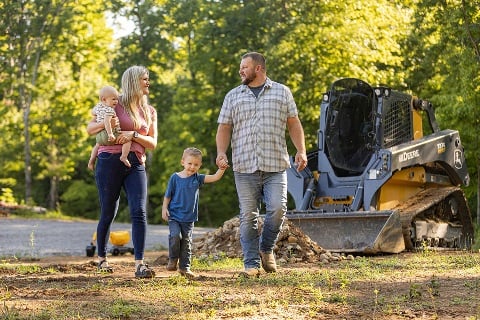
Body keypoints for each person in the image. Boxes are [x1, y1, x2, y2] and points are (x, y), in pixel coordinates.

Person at [215, 52, 308, 277]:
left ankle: (266, 249)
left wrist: (301, 150)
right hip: (244, 165)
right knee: (248, 215)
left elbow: (293, 123)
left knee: (277, 209)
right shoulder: (233, 96)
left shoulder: (282, 92)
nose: (241, 71)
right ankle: (251, 264)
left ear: (258, 68)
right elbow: (224, 127)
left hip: (275, 163)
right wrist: (221, 152)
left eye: (244, 67)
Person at [86, 65, 158, 278]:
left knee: (139, 211)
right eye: (145, 79)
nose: (148, 83)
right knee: (109, 211)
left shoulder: (149, 110)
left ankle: (140, 264)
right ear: (134, 81)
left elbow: (152, 143)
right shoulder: (113, 102)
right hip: (109, 159)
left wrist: (132, 134)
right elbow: (90, 129)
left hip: (135, 162)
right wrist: (105, 126)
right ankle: (102, 259)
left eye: (148, 79)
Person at [162, 147, 227, 279]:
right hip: (174, 215)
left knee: (186, 242)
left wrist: (222, 169)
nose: (192, 167)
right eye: (189, 163)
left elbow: (214, 177)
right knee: (175, 236)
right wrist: (164, 209)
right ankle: (173, 259)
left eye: (196, 164)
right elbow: (167, 195)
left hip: (189, 218)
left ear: (200, 165)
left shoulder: (197, 178)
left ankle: (185, 268)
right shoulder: (175, 178)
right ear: (183, 162)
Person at [87, 85, 131, 170]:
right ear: (104, 99)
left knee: (97, 145)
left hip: (100, 135)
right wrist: (110, 134)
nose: (116, 101)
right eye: (113, 99)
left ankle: (91, 161)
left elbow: (93, 113)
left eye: (117, 99)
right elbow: (107, 121)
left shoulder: (98, 107)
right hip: (109, 135)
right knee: (127, 140)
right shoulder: (110, 110)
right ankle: (124, 157)